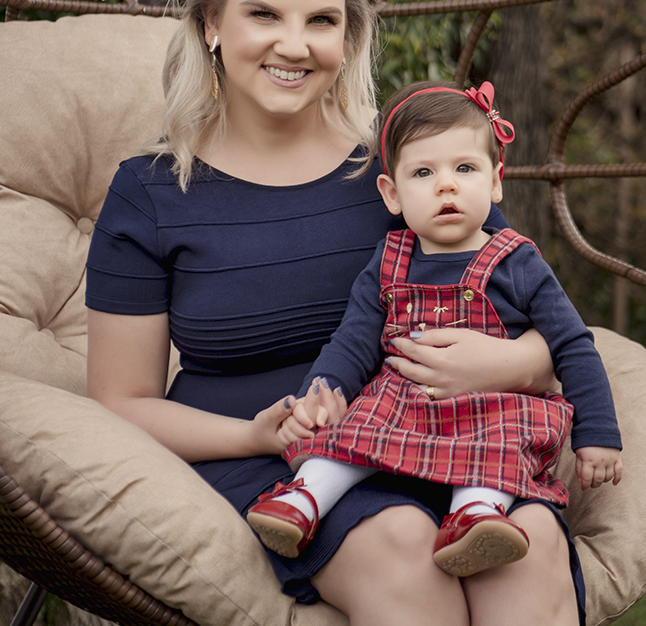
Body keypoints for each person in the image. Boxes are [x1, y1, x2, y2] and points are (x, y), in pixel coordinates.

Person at [85, 0, 589, 625]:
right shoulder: (152, 193)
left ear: (348, 37)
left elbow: (547, 331)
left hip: (437, 437)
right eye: (264, 15)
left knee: (534, 539)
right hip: (266, 460)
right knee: (404, 546)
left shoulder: (403, 175)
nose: (294, 45)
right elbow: (119, 402)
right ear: (211, 22)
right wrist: (253, 434)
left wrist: (502, 365)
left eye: (320, 20)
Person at [245, 82, 623, 578]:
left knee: (506, 437)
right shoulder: (388, 261)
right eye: (424, 172)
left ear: (495, 182)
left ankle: (476, 516)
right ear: (393, 194)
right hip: (404, 401)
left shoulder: (518, 260)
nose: (446, 185)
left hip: (493, 404)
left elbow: (571, 343)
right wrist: (321, 393)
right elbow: (353, 342)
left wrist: (598, 434)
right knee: (353, 426)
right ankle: (305, 498)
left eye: (464, 168)